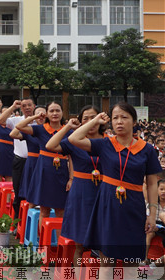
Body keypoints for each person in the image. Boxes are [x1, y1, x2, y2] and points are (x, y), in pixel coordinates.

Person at [69, 103, 161, 269]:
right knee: (107, 262)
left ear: (134, 122)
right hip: (107, 206)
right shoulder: (105, 144)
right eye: (115, 118)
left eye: (124, 117)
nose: (119, 122)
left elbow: (152, 183)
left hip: (134, 206)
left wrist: (152, 213)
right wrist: (95, 120)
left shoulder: (147, 149)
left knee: (130, 262)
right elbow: (74, 139)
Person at [46, 105, 105, 267]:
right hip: (81, 192)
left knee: (103, 242)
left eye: (94, 117)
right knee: (79, 243)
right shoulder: (73, 141)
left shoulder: (109, 141)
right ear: (80, 121)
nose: (91, 121)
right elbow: (50, 145)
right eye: (86, 118)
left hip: (103, 192)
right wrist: (67, 128)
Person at [16, 101, 71, 229]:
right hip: (43, 171)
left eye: (58, 110)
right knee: (44, 211)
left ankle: (58, 246)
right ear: (46, 114)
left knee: (60, 211)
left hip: (62, 172)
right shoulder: (40, 129)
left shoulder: (67, 131)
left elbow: (71, 157)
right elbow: (19, 126)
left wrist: (72, 178)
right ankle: (42, 245)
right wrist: (35, 117)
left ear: (62, 112)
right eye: (51, 111)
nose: (55, 113)